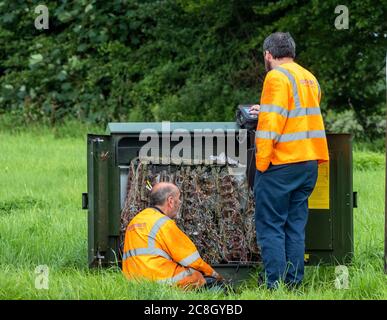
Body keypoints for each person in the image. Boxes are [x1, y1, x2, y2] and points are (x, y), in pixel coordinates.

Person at [249, 32, 329, 289]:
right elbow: (300, 113)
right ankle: (293, 285)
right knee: (295, 227)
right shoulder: (309, 78)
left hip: (282, 164)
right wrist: (268, 108)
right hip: (308, 164)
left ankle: (275, 286)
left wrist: (261, 165)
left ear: (268, 55)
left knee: (270, 226)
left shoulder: (276, 77)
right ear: (291, 52)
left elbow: (270, 127)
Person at [122, 182, 223, 289]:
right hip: (157, 280)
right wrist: (214, 275)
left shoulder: (135, 221)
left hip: (133, 281)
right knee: (196, 275)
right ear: (170, 201)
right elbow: (192, 260)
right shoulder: (164, 223)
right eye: (178, 198)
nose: (179, 202)